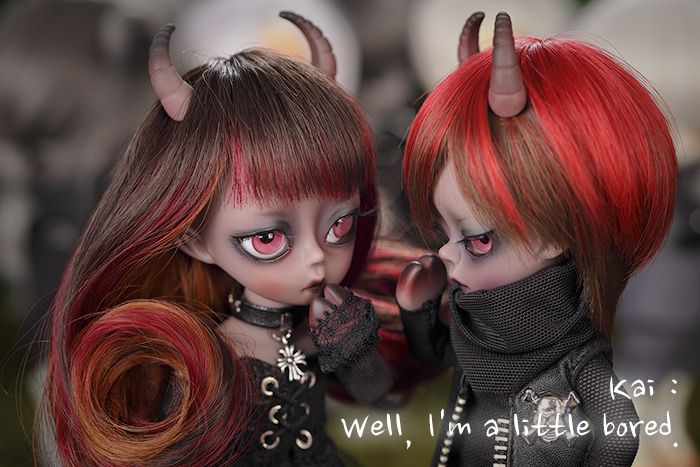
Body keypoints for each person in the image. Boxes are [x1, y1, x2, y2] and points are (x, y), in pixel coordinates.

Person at [41, 12, 391, 466]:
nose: (315, 258)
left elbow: (376, 394)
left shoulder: (319, 330)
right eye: (267, 239)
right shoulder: (209, 363)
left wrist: (353, 348)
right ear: (196, 241)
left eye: (339, 227)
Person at [397, 11, 677, 466]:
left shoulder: (575, 358)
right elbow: (436, 354)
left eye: (477, 240)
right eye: (444, 231)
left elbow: (620, 435)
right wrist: (417, 312)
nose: (446, 253)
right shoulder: (477, 324)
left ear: (554, 234)